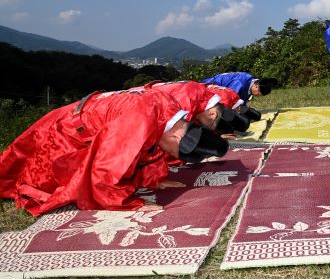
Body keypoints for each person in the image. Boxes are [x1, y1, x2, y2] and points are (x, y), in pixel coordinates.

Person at [0, 89, 229, 216]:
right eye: (177, 151)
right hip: (66, 131)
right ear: (177, 136)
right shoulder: (139, 122)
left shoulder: (169, 114)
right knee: (31, 176)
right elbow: (106, 170)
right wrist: (130, 203)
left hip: (85, 119)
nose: (174, 156)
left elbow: (148, 150)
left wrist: (154, 180)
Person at [201, 72, 276, 105]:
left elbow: (242, 101)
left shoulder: (250, 82)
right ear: (256, 86)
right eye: (259, 93)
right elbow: (229, 99)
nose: (258, 95)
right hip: (208, 87)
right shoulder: (241, 83)